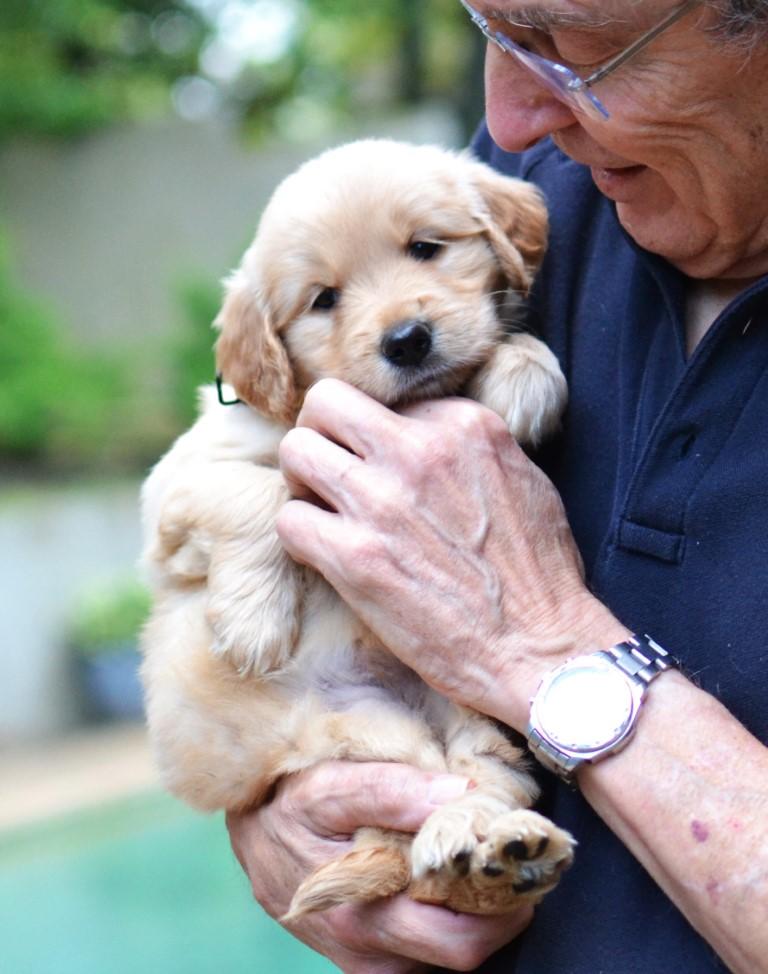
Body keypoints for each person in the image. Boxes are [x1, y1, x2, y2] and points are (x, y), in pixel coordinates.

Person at [226, 2, 768, 971]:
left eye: (574, 46)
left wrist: (548, 648)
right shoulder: (546, 173)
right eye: (494, 29)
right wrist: (283, 814)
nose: (511, 118)